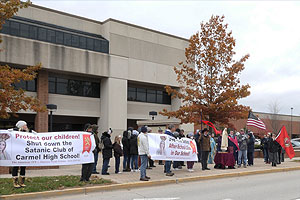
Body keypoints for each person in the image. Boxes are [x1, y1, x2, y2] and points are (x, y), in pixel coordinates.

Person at [11, 120, 34, 188]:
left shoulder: (27, 132)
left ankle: (22, 182)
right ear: (21, 126)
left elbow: (34, 135)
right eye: (25, 125)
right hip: (16, 152)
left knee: (23, 166)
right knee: (15, 166)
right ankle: (15, 182)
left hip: (24, 152)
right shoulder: (15, 131)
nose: (26, 126)